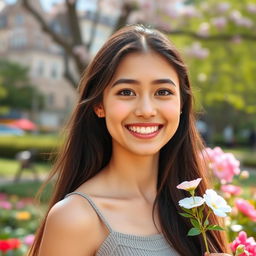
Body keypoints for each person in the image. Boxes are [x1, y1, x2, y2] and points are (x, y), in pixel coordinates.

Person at [28, 25, 231, 256]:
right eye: (126, 92)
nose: (146, 110)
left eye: (163, 92)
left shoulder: (196, 207)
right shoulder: (75, 218)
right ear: (99, 105)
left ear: (182, 104)